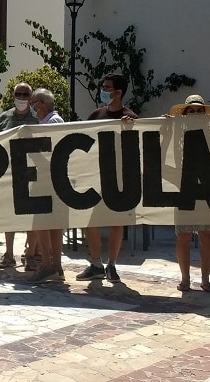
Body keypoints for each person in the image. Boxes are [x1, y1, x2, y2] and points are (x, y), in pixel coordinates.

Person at [76, 74, 138, 283]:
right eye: (102, 86)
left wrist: (129, 128)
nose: (102, 90)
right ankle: (96, 264)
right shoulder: (96, 114)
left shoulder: (130, 117)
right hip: (95, 175)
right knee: (90, 222)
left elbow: (135, 146)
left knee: (116, 223)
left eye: (107, 87)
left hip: (119, 178)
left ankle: (111, 265)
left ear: (118, 92)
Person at [166, 95, 210, 293]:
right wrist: (165, 126)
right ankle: (185, 278)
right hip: (185, 186)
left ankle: (205, 279)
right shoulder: (177, 131)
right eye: (191, 110)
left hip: (208, 186)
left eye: (200, 110)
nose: (196, 114)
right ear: (185, 113)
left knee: (207, 234)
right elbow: (164, 149)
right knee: (184, 235)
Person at [0, 83, 39, 269]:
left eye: (25, 94)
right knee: (9, 214)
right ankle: (9, 254)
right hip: (9, 173)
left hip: (32, 173)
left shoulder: (38, 118)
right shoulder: (4, 117)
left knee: (32, 216)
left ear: (31, 97)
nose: (21, 97)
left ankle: (30, 255)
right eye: (18, 94)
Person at [25, 88, 65, 283]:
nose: (31, 106)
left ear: (41, 104)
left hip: (47, 180)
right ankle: (55, 266)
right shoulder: (49, 122)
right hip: (49, 180)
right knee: (53, 225)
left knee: (42, 224)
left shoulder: (53, 122)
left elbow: (50, 154)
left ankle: (49, 265)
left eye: (33, 102)